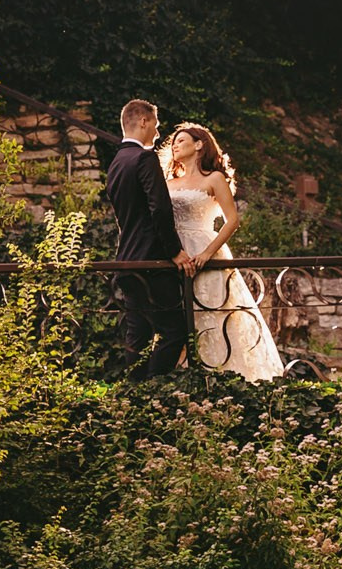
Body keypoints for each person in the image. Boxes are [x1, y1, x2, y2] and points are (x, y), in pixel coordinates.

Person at [164, 122, 286, 381]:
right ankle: (182, 377)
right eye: (173, 142)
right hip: (174, 252)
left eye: (181, 140)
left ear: (199, 145)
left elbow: (232, 220)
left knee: (212, 311)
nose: (174, 145)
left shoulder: (214, 178)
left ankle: (221, 376)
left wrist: (208, 253)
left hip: (204, 248)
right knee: (178, 316)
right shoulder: (169, 182)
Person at [101, 99, 193, 378]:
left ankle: (133, 396)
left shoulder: (116, 162)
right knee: (176, 332)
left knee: (138, 335)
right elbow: (160, 209)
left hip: (127, 261)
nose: (157, 131)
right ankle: (150, 389)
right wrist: (175, 251)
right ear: (143, 121)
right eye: (154, 123)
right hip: (152, 261)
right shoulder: (144, 158)